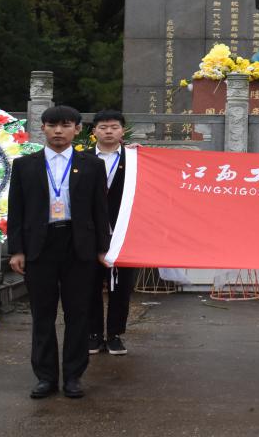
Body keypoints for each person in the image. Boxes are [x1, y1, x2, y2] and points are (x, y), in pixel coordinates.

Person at [7, 106, 111, 400]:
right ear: (42, 128)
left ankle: (74, 376)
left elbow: (100, 210)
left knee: (78, 313)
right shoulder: (25, 165)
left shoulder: (91, 165)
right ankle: (45, 377)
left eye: (65, 125)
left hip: (79, 246)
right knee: (43, 314)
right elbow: (16, 210)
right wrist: (16, 250)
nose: (58, 131)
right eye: (52, 125)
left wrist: (102, 248)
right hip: (40, 245)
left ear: (77, 129)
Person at [87, 109, 140, 356]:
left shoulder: (135, 159)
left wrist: (142, 154)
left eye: (114, 127)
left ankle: (115, 335)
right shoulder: (82, 159)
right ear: (93, 131)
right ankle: (94, 334)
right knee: (89, 285)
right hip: (89, 233)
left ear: (123, 130)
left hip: (125, 231)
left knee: (122, 287)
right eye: (103, 127)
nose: (109, 131)